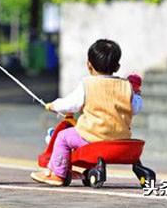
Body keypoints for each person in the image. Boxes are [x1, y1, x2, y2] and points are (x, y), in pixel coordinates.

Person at [31, 39, 143, 186]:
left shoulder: (87, 84)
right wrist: (137, 94)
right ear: (117, 66)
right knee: (72, 134)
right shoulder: (126, 86)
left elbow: (71, 104)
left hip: (93, 136)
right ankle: (77, 169)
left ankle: (58, 174)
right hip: (119, 137)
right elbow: (136, 108)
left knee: (63, 137)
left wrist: (54, 105)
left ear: (89, 65)